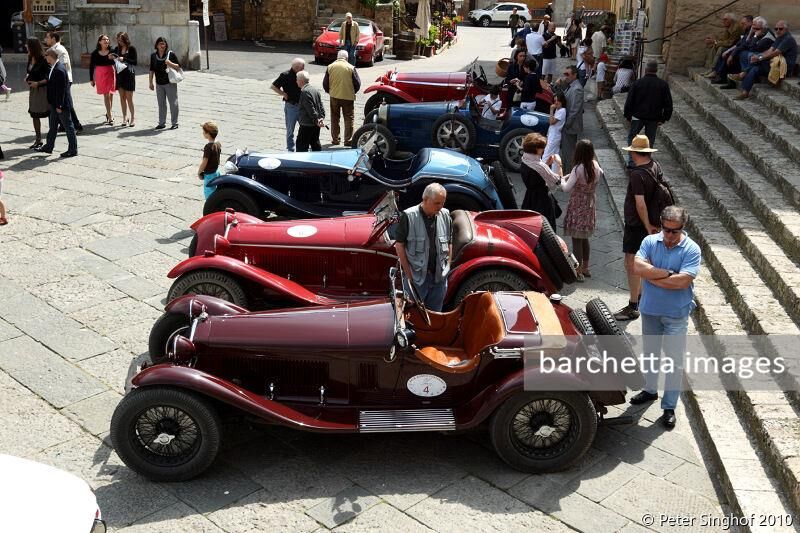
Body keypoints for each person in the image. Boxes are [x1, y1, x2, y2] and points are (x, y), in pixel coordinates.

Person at [629, 206, 702, 429]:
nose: (669, 235)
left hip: (676, 313)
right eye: (666, 230)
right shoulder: (650, 241)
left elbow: (683, 282)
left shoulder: (692, 249)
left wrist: (652, 275)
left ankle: (669, 406)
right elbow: (637, 266)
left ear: (682, 228)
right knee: (650, 354)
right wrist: (668, 273)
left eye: (674, 231)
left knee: (674, 361)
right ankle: (650, 390)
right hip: (650, 309)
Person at [614, 135, 673, 321]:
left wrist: (647, 226)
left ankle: (633, 305)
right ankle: (640, 298)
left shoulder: (637, 174)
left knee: (631, 263)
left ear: (634, 153)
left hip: (637, 224)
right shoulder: (655, 166)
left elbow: (640, 204)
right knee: (643, 261)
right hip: (652, 221)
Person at [395, 183, 452, 312]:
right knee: (413, 316)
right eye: (437, 203)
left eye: (442, 203)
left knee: (435, 316)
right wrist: (409, 275)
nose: (440, 206)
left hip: (439, 279)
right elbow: (399, 245)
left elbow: (450, 241)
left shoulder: (445, 215)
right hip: (417, 279)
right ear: (425, 199)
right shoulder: (409, 216)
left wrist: (448, 266)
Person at [562, 139, 601, 281]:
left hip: (578, 204)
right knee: (584, 237)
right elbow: (599, 175)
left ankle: (577, 271)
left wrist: (562, 179)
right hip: (590, 203)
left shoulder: (578, 168)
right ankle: (586, 267)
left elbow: (566, 188)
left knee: (576, 238)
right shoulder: (595, 165)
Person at [730, 20, 796, 100]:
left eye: (780, 29)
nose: (778, 30)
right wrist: (759, 56)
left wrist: (760, 58)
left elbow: (776, 52)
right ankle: (745, 92)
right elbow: (770, 50)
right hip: (775, 64)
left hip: (784, 68)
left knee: (759, 60)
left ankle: (743, 74)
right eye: (776, 29)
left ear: (786, 29)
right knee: (755, 69)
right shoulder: (780, 37)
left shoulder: (788, 39)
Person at [623, 59, 672, 163]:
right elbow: (668, 103)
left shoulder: (637, 83)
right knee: (649, 140)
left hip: (637, 116)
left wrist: (628, 115)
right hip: (654, 117)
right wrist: (664, 118)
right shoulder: (663, 85)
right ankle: (645, 161)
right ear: (656, 70)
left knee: (632, 137)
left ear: (645, 69)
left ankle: (632, 161)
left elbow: (629, 101)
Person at [35, 48, 77, 158]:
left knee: (68, 126)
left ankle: (73, 150)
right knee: (53, 126)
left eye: (46, 55)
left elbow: (61, 90)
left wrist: (59, 105)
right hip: (54, 103)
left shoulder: (59, 69)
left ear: (50, 56)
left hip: (61, 104)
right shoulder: (54, 67)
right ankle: (49, 146)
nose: (45, 58)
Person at [712, 16, 773, 88]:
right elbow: (744, 44)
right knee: (735, 54)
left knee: (745, 55)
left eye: (756, 29)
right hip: (755, 56)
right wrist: (750, 34)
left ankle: (739, 77)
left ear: (764, 28)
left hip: (763, 60)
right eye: (753, 28)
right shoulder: (755, 31)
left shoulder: (767, 37)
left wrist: (754, 36)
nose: (754, 30)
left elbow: (752, 48)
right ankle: (727, 79)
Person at [520, 133, 562, 229]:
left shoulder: (524, 159)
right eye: (542, 147)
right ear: (536, 149)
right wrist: (559, 164)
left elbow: (538, 173)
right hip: (543, 201)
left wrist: (547, 164)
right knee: (546, 228)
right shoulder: (540, 166)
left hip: (529, 198)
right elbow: (558, 182)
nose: (543, 150)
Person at [44, 31, 82, 132]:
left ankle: (76, 125)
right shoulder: (53, 49)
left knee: (66, 103)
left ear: (53, 39)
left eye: (47, 37)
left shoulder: (59, 49)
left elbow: (63, 66)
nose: (45, 39)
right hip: (57, 80)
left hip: (63, 80)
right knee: (59, 101)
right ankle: (63, 125)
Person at [323, 50, 361, 146]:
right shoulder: (351, 67)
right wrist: (352, 91)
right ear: (347, 58)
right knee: (349, 118)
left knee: (334, 118)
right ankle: (348, 140)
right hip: (348, 97)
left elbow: (325, 83)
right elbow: (357, 83)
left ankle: (335, 139)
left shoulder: (330, 67)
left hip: (334, 96)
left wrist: (330, 91)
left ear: (337, 57)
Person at [271, 58, 304, 151]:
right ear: (296, 67)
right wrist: (283, 94)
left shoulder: (302, 74)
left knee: (305, 127)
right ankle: (290, 148)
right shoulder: (285, 75)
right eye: (302, 67)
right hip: (291, 106)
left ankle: (303, 145)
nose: (304, 69)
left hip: (302, 106)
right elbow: (273, 86)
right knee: (290, 129)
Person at [149, 37, 181, 130]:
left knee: (173, 103)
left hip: (169, 82)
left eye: (164, 43)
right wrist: (150, 82)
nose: (162, 45)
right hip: (159, 83)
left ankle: (175, 123)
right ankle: (162, 123)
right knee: (161, 104)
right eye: (160, 44)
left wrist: (170, 63)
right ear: (156, 45)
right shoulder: (153, 56)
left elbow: (179, 67)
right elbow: (151, 70)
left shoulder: (170, 54)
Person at [25, 37, 50, 150]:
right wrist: (27, 77)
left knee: (49, 113)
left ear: (32, 47)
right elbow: (30, 71)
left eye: (27, 44)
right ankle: (38, 139)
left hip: (43, 90)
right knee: (34, 114)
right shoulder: (30, 57)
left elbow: (49, 77)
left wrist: (38, 83)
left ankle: (50, 140)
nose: (26, 46)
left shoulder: (44, 59)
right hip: (33, 90)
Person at [560, 66, 584, 172]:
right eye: (564, 74)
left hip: (570, 126)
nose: (565, 76)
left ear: (574, 75)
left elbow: (575, 110)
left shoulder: (577, 88)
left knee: (568, 152)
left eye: (567, 74)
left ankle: (568, 174)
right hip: (568, 125)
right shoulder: (571, 86)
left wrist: (566, 124)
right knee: (566, 151)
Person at [296, 70, 325, 152]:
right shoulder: (314, 89)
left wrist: (316, 120)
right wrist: (321, 118)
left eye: (297, 79)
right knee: (315, 144)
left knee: (301, 146)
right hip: (315, 124)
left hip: (307, 124)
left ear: (301, 81)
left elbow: (310, 109)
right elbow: (321, 105)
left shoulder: (305, 92)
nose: (296, 81)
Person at [90, 35, 116, 125]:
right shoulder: (95, 53)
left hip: (110, 72)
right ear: (100, 41)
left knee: (111, 94)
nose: (106, 41)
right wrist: (91, 79)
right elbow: (91, 66)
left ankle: (109, 112)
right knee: (106, 94)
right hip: (100, 74)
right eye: (104, 39)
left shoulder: (112, 51)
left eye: (107, 39)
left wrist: (114, 58)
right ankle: (110, 116)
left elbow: (117, 61)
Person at [113, 32, 137, 127]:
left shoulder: (131, 48)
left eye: (122, 40)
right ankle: (124, 117)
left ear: (126, 40)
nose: (120, 42)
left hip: (129, 75)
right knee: (122, 97)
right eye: (119, 40)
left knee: (129, 98)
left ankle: (133, 118)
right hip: (120, 75)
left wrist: (124, 59)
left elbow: (135, 62)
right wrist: (112, 57)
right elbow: (113, 59)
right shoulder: (116, 49)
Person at [543, 92, 567, 172]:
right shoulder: (558, 110)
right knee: (555, 156)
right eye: (555, 101)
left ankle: (541, 172)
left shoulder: (562, 111)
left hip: (554, 136)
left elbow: (551, 122)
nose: (556, 103)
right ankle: (556, 173)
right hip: (553, 135)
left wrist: (551, 110)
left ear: (562, 101)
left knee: (546, 154)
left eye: (558, 101)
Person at [197, 121, 221, 199]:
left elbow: (204, 162)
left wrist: (199, 172)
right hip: (216, 171)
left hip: (209, 174)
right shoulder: (218, 143)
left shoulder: (208, 147)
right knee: (216, 192)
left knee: (209, 195)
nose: (202, 133)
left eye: (203, 132)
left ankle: (211, 205)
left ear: (207, 134)